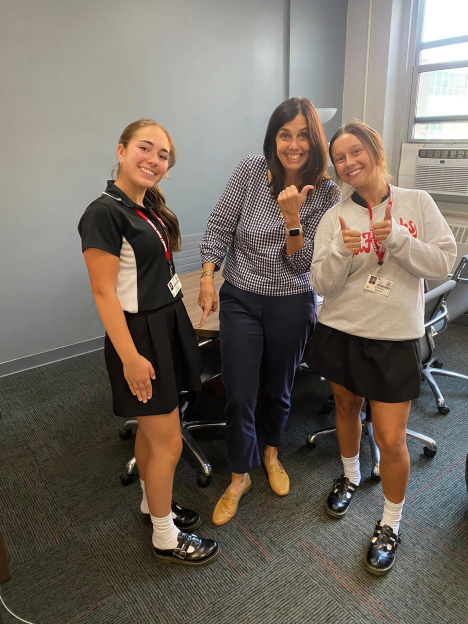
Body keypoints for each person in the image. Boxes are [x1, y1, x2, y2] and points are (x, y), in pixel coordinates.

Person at [305, 121, 456, 574]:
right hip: (341, 329)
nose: (349, 163)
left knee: (390, 439)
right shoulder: (335, 216)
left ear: (375, 150)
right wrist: (340, 255)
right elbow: (322, 284)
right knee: (346, 409)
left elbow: (445, 261)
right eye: (340, 159)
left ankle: (391, 522)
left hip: (393, 337)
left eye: (356, 152)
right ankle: (350, 476)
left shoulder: (417, 202)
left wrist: (398, 239)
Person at [78, 118, 219, 566]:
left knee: (154, 431)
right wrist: (131, 359)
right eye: (145, 148)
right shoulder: (103, 212)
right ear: (121, 151)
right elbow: (103, 294)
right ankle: (164, 536)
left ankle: (150, 506)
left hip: (165, 324)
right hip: (139, 338)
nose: (154, 160)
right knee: (169, 443)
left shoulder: (144, 207)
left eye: (163, 156)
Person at [198, 97, 341, 526]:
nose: (292, 145)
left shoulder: (326, 190)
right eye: (284, 134)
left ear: (313, 140)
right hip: (241, 296)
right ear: (273, 137)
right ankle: (239, 476)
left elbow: (302, 263)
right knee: (240, 391)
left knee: (278, 388)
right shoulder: (249, 169)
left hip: (291, 301)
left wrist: (293, 216)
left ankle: (272, 454)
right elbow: (220, 222)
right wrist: (208, 275)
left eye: (302, 135)